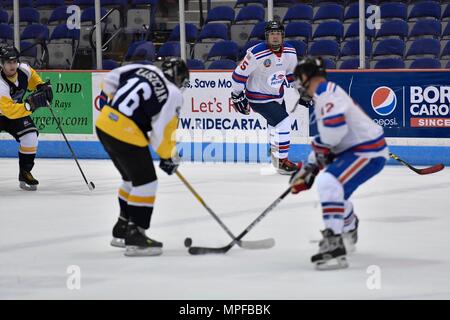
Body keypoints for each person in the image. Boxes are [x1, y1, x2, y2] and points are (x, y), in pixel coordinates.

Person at [290, 57, 388, 270]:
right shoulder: (324, 93)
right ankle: (349, 226)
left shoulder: (327, 94)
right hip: (360, 150)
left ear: (307, 76)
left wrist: (314, 168)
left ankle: (334, 244)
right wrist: (309, 167)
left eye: (299, 77)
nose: (298, 83)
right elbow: (329, 139)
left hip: (367, 151)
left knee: (328, 181)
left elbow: (333, 135)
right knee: (334, 192)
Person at [95, 58, 189, 257]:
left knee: (131, 179)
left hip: (104, 123)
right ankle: (136, 235)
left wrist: (120, 109)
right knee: (146, 182)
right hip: (125, 131)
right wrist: (168, 157)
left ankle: (122, 228)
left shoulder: (143, 68)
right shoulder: (173, 92)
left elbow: (108, 81)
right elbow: (162, 130)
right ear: (179, 77)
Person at [230, 20, 298, 175]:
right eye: (272, 34)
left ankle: (275, 154)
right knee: (284, 122)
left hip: (277, 95)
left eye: (278, 34)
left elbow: (291, 74)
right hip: (258, 97)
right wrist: (236, 94)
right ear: (267, 36)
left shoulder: (290, 52)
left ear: (283, 36)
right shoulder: (255, 53)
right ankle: (282, 161)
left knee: (275, 125)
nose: (275, 37)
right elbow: (238, 75)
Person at [0, 44, 53, 191]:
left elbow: (33, 77)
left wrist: (42, 87)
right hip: (6, 112)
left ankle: (25, 172)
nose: (12, 65)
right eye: (8, 62)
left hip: (16, 112)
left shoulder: (23, 69)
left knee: (30, 136)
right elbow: (9, 110)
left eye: (14, 61)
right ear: (1, 63)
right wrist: (30, 106)